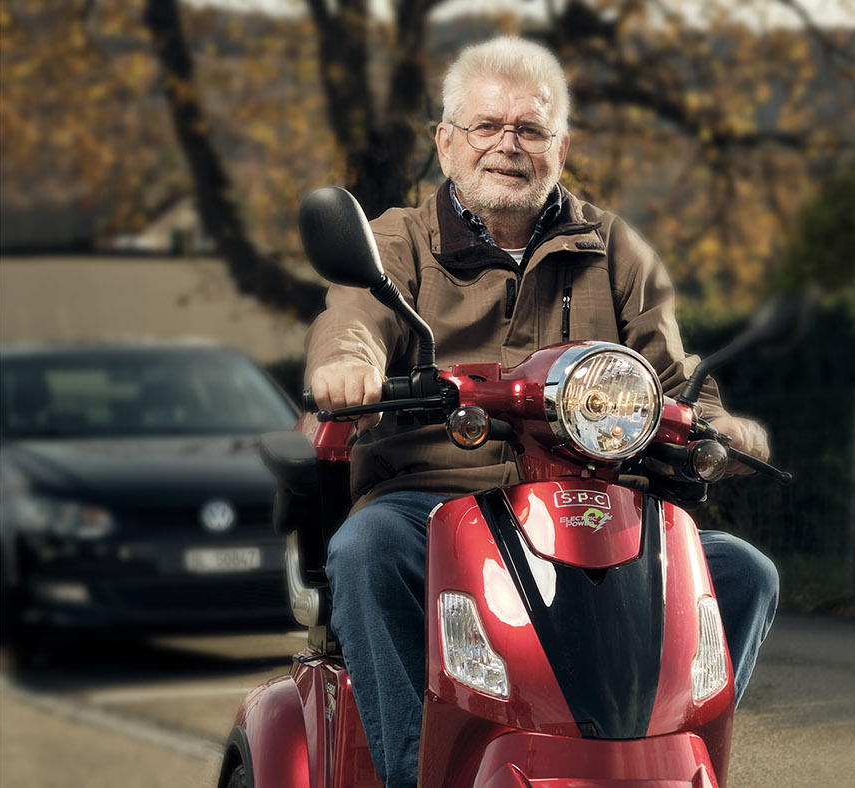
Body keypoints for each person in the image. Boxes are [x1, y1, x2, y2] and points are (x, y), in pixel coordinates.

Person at [305, 36, 780, 788]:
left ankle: (661, 766)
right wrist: (350, 364)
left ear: (560, 146)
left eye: (529, 129)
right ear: (445, 142)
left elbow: (671, 377)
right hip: (434, 500)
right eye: (486, 126)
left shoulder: (616, 248)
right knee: (368, 551)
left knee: (742, 573)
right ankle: (410, 774)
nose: (507, 146)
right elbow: (355, 315)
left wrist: (714, 422)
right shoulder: (398, 240)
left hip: (598, 505)